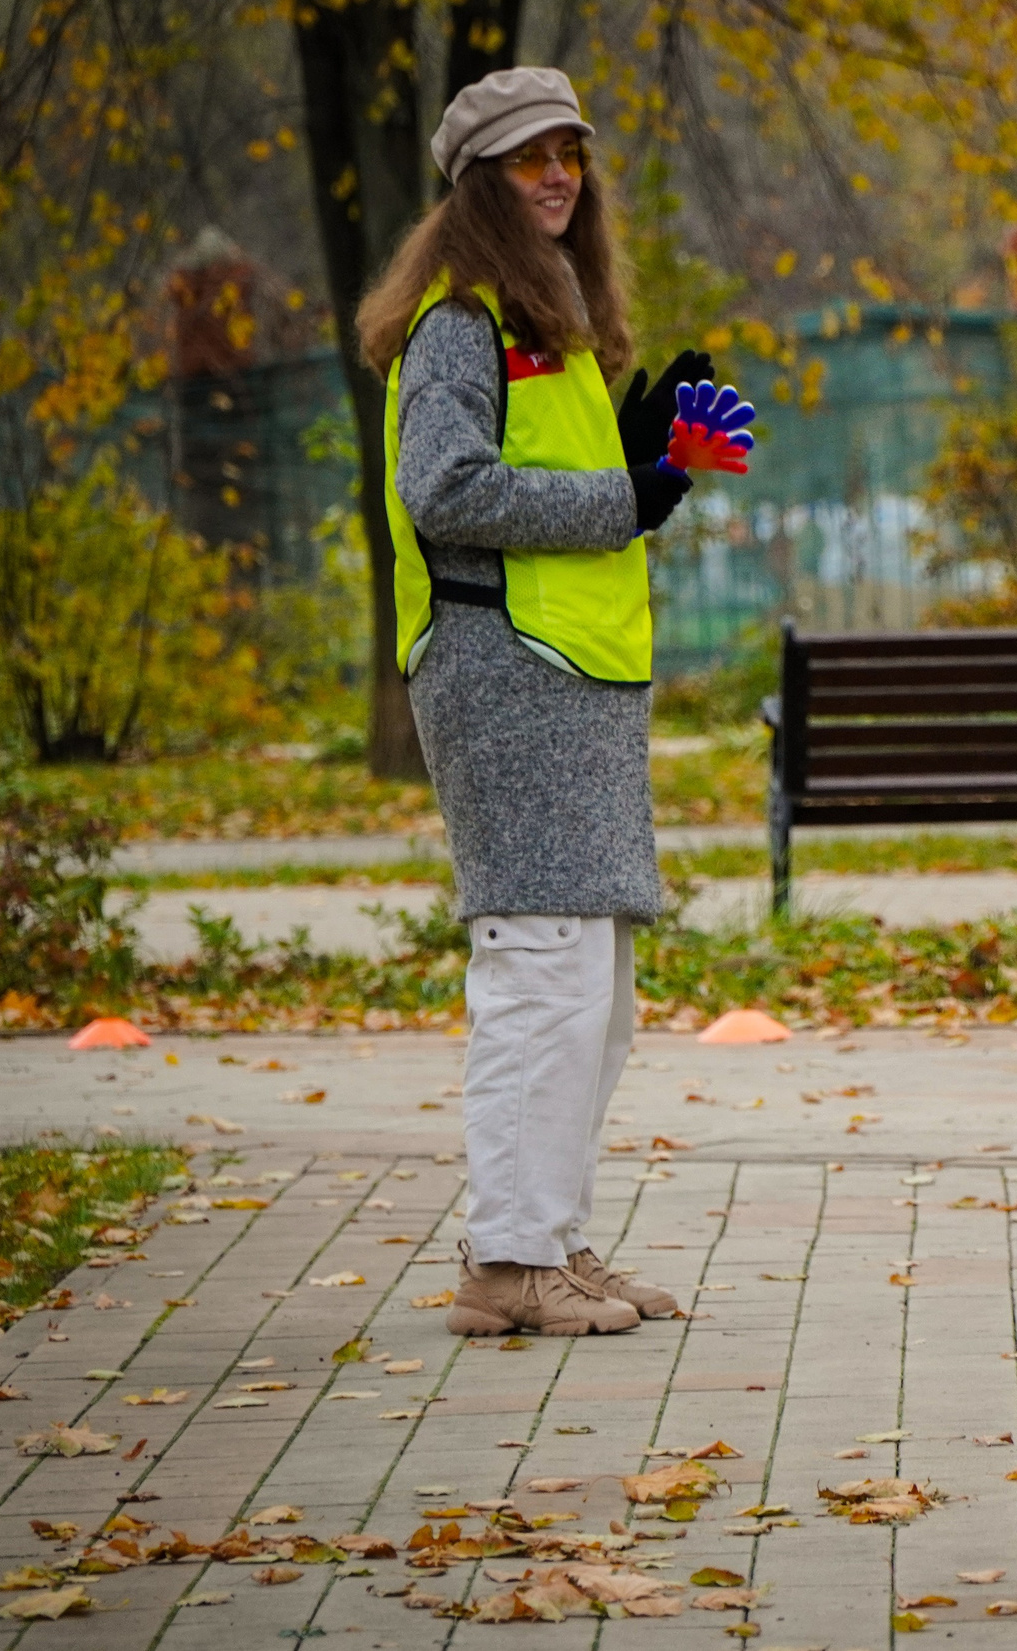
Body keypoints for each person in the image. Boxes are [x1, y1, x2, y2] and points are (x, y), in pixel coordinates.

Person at [356, 67, 714, 1335]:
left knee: (591, 993)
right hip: (506, 674)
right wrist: (625, 497)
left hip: (572, 682)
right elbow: (444, 487)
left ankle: (550, 1241)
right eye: (528, 158)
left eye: (569, 153)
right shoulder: (460, 322)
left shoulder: (544, 322)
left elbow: (535, 478)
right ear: (478, 185)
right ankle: (505, 1263)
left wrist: (634, 453)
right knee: (542, 977)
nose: (558, 175)